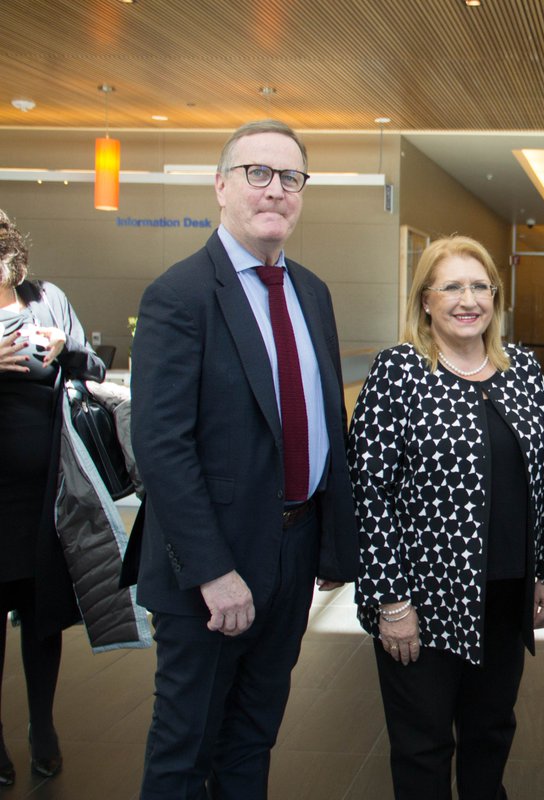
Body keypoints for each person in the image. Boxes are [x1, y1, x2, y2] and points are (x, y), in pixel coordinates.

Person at [129, 120, 359, 798]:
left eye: (291, 177)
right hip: (211, 566)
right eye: (258, 173)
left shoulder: (312, 291)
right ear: (221, 185)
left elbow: (326, 424)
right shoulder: (179, 293)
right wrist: (213, 571)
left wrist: (330, 543)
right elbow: (162, 446)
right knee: (184, 750)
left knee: (253, 740)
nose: (275, 190)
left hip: (293, 551)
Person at [348, 235, 544, 800]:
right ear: (426, 300)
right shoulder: (399, 371)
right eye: (451, 287)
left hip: (505, 592)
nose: (468, 300)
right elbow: (369, 493)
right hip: (424, 600)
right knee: (422, 746)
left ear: (495, 296)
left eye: (480, 286)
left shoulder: (521, 368)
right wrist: (392, 601)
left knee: (491, 733)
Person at [0, 210, 106, 785]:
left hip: (45, 493)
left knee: (42, 615)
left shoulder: (46, 299)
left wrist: (66, 348)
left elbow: (94, 366)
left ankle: (42, 726)